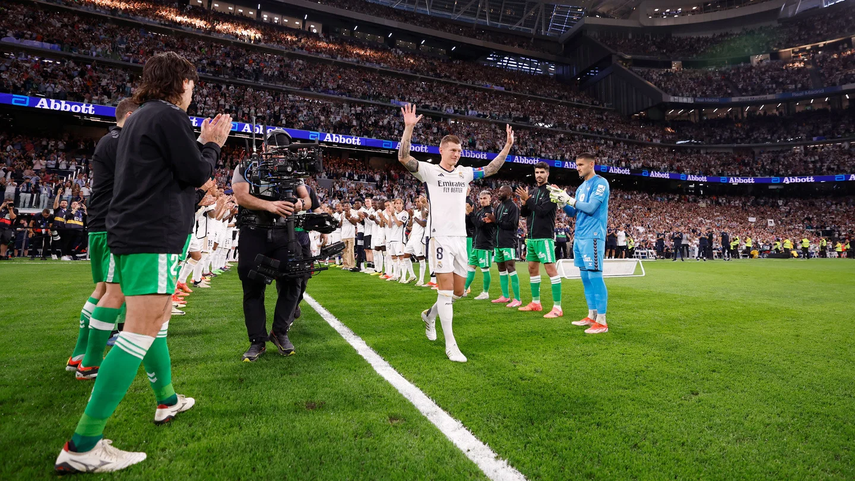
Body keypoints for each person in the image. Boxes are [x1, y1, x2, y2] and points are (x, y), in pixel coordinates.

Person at [55, 51, 232, 474]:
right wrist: (211, 144)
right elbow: (193, 171)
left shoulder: (138, 119)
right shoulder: (168, 116)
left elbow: (163, 178)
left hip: (134, 231)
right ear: (182, 83)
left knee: (158, 320)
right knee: (139, 330)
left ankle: (167, 400)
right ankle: (83, 444)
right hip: (152, 235)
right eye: (192, 84)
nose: (192, 92)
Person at [398, 104, 514, 362]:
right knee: (446, 292)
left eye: (459, 151)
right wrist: (408, 128)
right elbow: (404, 158)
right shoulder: (430, 171)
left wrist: (506, 147)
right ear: (441, 150)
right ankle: (451, 345)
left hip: (462, 240)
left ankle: (429, 315)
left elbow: (491, 169)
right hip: (440, 238)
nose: (456, 154)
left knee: (459, 292)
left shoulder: (463, 174)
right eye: (453, 150)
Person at [72, 98, 139, 382]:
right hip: (112, 224)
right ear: (132, 114)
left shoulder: (108, 139)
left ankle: (79, 353)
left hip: (101, 222)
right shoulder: (121, 140)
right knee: (114, 292)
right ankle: (88, 362)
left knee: (102, 289)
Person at [233, 131, 312, 362]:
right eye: (275, 148)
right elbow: (241, 196)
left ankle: (280, 331)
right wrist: (270, 206)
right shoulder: (247, 166)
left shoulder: (293, 171)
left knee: (294, 279)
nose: (279, 154)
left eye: (283, 150)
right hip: (254, 230)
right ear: (265, 147)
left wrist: (298, 204)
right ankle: (257, 341)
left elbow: (307, 200)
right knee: (253, 285)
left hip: (283, 232)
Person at [549, 153, 611, 334]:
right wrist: (561, 201)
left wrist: (568, 199)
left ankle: (602, 321)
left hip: (593, 235)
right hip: (580, 236)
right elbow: (572, 212)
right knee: (585, 278)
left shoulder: (600, 183)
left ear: (592, 164)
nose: (578, 168)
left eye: (581, 164)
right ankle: (591, 316)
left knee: (595, 276)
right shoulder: (581, 187)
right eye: (576, 165)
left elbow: (591, 208)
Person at [515, 162, 562, 318]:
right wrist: (524, 202)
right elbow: (525, 213)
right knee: (532, 269)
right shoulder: (534, 191)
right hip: (532, 237)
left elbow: (542, 212)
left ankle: (557, 307)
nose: (539, 175)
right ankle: (536, 303)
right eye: (537, 172)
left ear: (547, 174)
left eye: (542, 172)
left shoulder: (552, 192)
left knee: (550, 270)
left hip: (544, 237)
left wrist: (527, 199)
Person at [490, 185, 521, 307]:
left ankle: (517, 299)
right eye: (498, 191)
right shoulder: (498, 207)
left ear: (509, 193)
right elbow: (497, 225)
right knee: (501, 268)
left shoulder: (513, 207)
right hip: (498, 243)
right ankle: (505, 296)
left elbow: (512, 225)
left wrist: (495, 221)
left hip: (508, 242)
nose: (499, 193)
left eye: (502, 191)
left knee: (510, 267)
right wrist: (491, 221)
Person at [467, 190, 496, 300]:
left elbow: (478, 224)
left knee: (485, 269)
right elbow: (472, 224)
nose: (482, 200)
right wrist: (468, 215)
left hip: (485, 245)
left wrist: (471, 214)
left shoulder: (490, 213)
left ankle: (485, 292)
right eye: (481, 198)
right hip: (476, 244)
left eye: (485, 198)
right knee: (470, 267)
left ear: (490, 199)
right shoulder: (479, 212)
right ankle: (464, 289)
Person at [403, 195, 428, 286]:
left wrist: (414, 217)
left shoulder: (425, 211)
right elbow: (409, 225)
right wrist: (410, 217)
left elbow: (423, 224)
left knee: (420, 258)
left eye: (419, 201)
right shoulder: (414, 212)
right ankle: (412, 275)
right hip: (412, 237)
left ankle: (421, 279)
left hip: (420, 237)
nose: (417, 203)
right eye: (416, 202)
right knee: (405, 256)